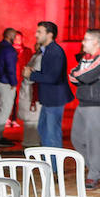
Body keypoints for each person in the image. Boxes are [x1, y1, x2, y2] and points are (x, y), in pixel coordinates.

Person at [69, 30, 100, 184]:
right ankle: (97, 169)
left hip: (97, 104)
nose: (82, 42)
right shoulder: (86, 58)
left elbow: (84, 76)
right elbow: (73, 76)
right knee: (77, 139)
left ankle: (94, 175)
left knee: (94, 141)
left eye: (86, 39)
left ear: (95, 42)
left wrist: (80, 76)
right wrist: (80, 76)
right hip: (83, 103)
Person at [25, 20, 72, 148]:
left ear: (50, 35)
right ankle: (50, 163)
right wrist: (35, 72)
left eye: (39, 32)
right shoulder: (48, 50)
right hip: (49, 98)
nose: (36, 34)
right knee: (43, 129)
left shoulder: (55, 51)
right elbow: (50, 73)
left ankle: (55, 166)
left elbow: (53, 77)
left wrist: (32, 75)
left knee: (52, 134)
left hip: (54, 98)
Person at [0, 27, 19, 145]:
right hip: (5, 82)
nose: (15, 39)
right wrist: (14, 83)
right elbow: (10, 68)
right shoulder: (9, 50)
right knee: (5, 109)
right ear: (10, 36)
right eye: (14, 36)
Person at [14, 31, 40, 146]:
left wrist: (27, 74)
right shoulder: (35, 56)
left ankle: (31, 145)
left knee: (32, 123)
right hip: (28, 93)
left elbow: (32, 74)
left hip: (33, 96)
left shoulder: (36, 56)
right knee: (30, 125)